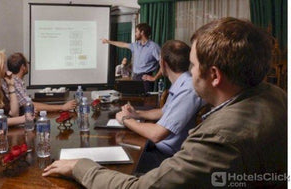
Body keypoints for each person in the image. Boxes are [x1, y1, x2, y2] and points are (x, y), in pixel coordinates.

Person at [42, 17, 287, 188]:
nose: (190, 73)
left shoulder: (220, 138)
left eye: (193, 65)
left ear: (214, 75)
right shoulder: (275, 95)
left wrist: (80, 167)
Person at [115, 40, 204, 174]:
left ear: (162, 63)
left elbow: (157, 134)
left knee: (117, 165)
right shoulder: (182, 83)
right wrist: (137, 114)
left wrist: (125, 119)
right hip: (162, 150)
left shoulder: (187, 90)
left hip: (168, 158)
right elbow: (163, 112)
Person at [2, 52, 76, 112]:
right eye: (27, 63)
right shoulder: (14, 83)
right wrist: (62, 107)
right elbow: (29, 105)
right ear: (23, 67)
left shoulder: (15, 81)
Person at [102, 23, 161, 92]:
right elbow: (123, 44)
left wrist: (155, 78)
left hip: (145, 79)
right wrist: (108, 41)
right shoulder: (135, 45)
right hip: (135, 77)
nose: (135, 34)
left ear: (142, 32)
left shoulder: (153, 47)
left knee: (145, 101)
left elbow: (163, 63)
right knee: (135, 100)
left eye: (136, 31)